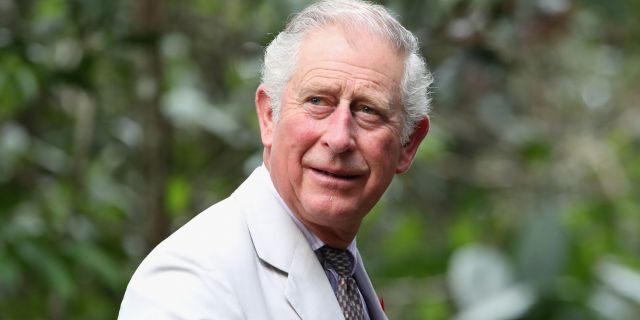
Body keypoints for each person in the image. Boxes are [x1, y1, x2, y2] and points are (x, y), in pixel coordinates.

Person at [118, 0, 432, 319]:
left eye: (368, 110)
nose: (338, 139)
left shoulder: (341, 272)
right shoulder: (190, 281)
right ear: (269, 117)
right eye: (317, 101)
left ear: (408, 144)